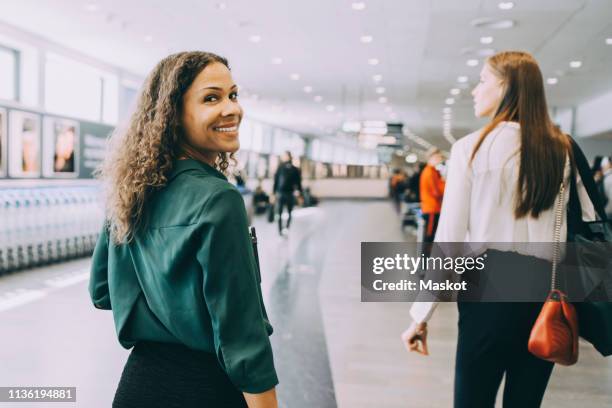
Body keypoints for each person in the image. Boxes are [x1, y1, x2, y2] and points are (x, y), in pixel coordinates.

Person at [401, 51, 596, 408]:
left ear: (506, 86)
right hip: (545, 291)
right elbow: (584, 219)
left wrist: (421, 315)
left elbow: (450, 240)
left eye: (482, 81)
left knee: (472, 399)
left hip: (487, 289)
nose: (475, 91)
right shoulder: (561, 149)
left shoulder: (470, 148)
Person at [89, 51, 278, 408]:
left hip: (139, 385)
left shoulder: (132, 188)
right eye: (212, 98)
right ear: (173, 114)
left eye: (233, 95)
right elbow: (241, 335)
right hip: (205, 388)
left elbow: (103, 291)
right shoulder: (218, 199)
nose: (232, 109)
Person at [272, 151, 302, 235]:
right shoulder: (280, 168)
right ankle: (280, 230)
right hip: (281, 193)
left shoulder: (295, 169)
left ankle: (287, 228)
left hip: (290, 193)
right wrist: (273, 193)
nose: (283, 157)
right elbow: (276, 181)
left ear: (289, 156)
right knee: (280, 212)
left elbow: (298, 183)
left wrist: (300, 195)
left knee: (289, 212)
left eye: (285, 156)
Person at [419, 148, 446, 243]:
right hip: (431, 208)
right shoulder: (429, 172)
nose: (440, 159)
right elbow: (436, 191)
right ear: (431, 157)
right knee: (429, 237)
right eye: (438, 157)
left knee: (432, 236)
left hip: (433, 208)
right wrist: (444, 183)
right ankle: (425, 257)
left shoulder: (433, 171)